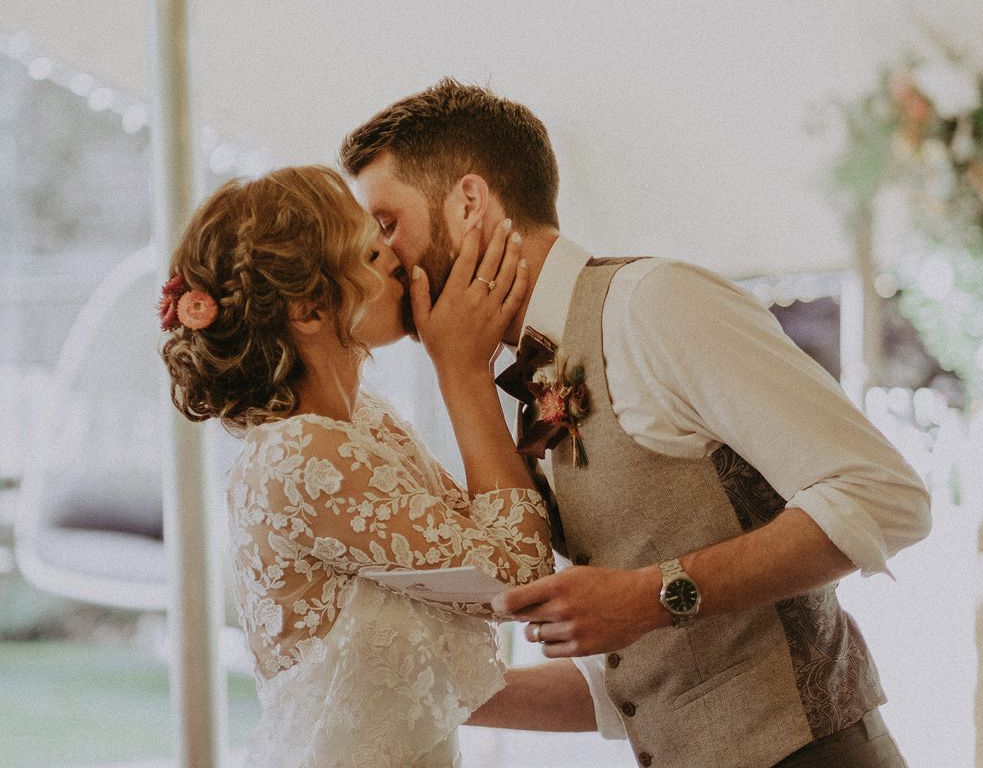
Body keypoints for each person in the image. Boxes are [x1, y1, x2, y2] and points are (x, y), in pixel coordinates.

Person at [340, 79, 933, 768]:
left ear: (469, 203)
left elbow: (883, 495)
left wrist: (655, 596)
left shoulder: (653, 304)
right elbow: (637, 687)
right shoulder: (523, 375)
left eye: (387, 224)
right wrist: (426, 693)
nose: (381, 259)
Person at [158, 165, 559, 768]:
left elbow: (490, 534)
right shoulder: (300, 456)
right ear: (310, 311)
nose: (399, 258)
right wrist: (461, 370)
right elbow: (518, 575)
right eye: (372, 252)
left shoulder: (366, 422)